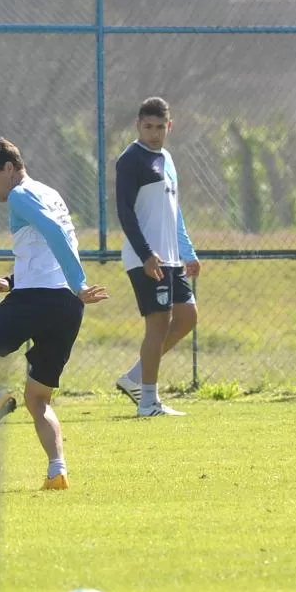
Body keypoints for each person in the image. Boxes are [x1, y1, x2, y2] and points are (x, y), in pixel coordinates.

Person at [0, 138, 108, 491]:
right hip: (66, 305)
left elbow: (52, 234)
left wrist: (80, 282)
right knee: (38, 398)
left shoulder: (21, 195)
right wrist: (12, 279)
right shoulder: (50, 193)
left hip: (38, 299)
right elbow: (52, 247)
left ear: (9, 168)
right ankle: (57, 471)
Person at [114, 96, 201, 417]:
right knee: (158, 326)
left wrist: (187, 253)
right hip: (146, 259)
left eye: (160, 127)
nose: (154, 133)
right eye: (147, 127)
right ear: (138, 125)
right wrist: (147, 254)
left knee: (188, 316)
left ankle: (135, 378)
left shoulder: (166, 158)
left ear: (170, 126)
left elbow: (174, 214)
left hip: (172, 259)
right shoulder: (131, 159)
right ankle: (148, 402)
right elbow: (124, 211)